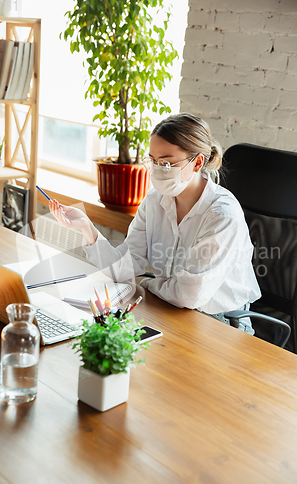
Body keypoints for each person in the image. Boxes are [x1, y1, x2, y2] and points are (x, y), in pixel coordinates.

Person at [49, 113, 261, 334]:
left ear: (197, 162)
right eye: (153, 160)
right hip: (170, 309)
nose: (159, 169)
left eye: (167, 163)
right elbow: (124, 268)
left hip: (221, 324)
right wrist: (87, 228)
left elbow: (189, 294)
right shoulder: (154, 200)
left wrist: (147, 284)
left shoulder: (222, 215)